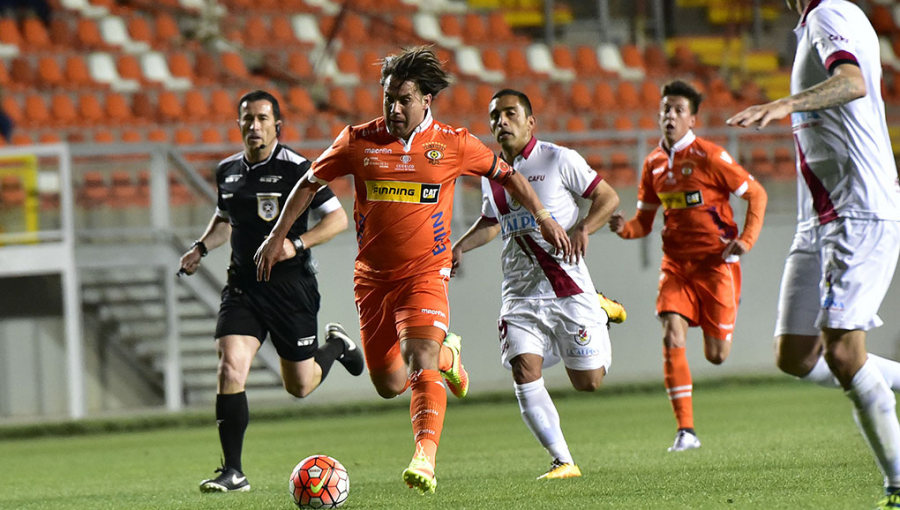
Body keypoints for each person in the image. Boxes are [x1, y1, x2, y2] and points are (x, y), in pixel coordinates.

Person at [254, 46, 572, 495]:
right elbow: (308, 183)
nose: (394, 108)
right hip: (372, 279)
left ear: (427, 101)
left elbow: (507, 176)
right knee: (389, 383)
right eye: (388, 98)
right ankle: (449, 357)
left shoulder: (454, 143)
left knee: (418, 356)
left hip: (426, 272)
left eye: (404, 99)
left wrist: (542, 215)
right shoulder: (357, 141)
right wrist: (276, 237)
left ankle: (425, 455)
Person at [727, 1, 900, 507]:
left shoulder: (830, 14)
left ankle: (897, 483)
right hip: (819, 217)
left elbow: (852, 82)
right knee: (796, 354)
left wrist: (785, 104)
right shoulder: (814, 22)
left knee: (845, 352)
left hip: (856, 210)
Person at [178, 90, 365, 493]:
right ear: (239, 124)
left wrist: (295, 245)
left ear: (277, 125)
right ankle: (234, 472)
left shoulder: (299, 168)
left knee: (298, 386)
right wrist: (200, 247)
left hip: (290, 289)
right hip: (243, 287)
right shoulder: (227, 170)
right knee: (230, 365)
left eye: (262, 118)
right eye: (247, 118)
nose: (254, 126)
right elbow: (226, 218)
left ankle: (335, 347)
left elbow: (337, 221)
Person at [450, 89, 624, 479]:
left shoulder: (559, 159)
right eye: (495, 116)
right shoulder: (491, 174)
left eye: (510, 114)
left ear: (531, 122)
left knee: (588, 383)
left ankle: (597, 308)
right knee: (523, 370)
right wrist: (459, 247)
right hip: (519, 295)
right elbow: (492, 223)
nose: (501, 122)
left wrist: (584, 227)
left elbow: (608, 197)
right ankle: (563, 460)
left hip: (567, 288)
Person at [610, 80, 767, 452]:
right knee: (671, 334)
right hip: (676, 266)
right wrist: (624, 229)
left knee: (716, 356)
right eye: (666, 108)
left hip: (716, 265)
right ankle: (686, 431)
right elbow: (644, 223)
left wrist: (745, 241)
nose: (670, 115)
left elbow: (756, 194)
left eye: (678, 109)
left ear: (692, 118)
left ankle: (722, 314)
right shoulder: (651, 164)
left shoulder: (711, 157)